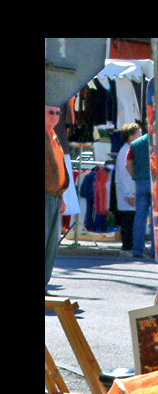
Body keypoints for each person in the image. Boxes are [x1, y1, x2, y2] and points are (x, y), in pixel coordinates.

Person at [45, 104, 69, 292]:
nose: (55, 116)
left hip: (54, 195)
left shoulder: (54, 136)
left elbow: (59, 167)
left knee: (52, 244)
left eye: (57, 113)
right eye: (50, 112)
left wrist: (61, 196)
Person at [126, 130, 154, 260]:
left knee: (140, 217)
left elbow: (128, 165)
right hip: (156, 182)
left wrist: (135, 177)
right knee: (156, 218)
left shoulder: (135, 144)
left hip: (140, 182)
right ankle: (156, 250)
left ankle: (137, 249)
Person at [115, 122, 142, 254]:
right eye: (139, 134)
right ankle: (127, 247)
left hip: (128, 192)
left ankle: (128, 246)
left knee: (129, 220)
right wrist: (130, 193)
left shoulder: (127, 150)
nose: (141, 136)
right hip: (128, 193)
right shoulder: (126, 151)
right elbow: (125, 175)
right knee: (128, 221)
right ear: (131, 137)